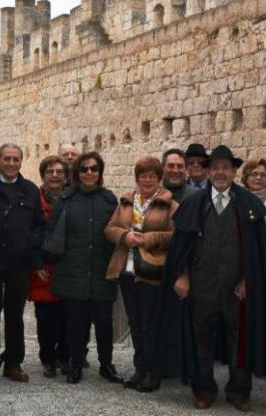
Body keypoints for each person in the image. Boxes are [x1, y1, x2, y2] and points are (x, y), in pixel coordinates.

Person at [149, 145, 266, 411]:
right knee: (200, 340)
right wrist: (182, 277)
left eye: (225, 168)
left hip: (235, 289)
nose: (220, 173)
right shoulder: (193, 204)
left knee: (238, 341)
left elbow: (257, 253)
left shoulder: (249, 205)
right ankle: (203, 390)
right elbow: (181, 247)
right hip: (200, 286)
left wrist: (247, 280)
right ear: (208, 170)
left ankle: (239, 391)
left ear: (234, 171)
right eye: (215, 167)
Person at [46, 151, 122, 385]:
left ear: (99, 173)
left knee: (104, 323)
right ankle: (76, 365)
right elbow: (51, 232)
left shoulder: (109, 200)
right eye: (84, 169)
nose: (89, 173)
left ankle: (106, 365)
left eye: (94, 169)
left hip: (101, 271)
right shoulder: (66, 200)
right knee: (75, 323)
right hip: (73, 270)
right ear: (77, 173)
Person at [104, 157, 177, 393]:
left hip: (151, 270)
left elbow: (175, 235)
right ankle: (140, 368)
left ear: (159, 179)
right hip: (127, 270)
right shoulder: (126, 202)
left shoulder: (170, 204)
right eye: (143, 176)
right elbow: (109, 228)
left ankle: (153, 371)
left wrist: (149, 238)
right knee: (135, 323)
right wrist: (125, 236)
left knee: (150, 324)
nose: (147, 180)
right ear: (137, 178)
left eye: (152, 176)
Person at [0, 143, 44, 383]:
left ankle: (13, 363)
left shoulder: (29, 190)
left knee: (15, 314)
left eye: (15, 159)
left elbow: (39, 223)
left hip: (19, 261)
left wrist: (30, 243)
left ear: (21, 162)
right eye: (6, 158)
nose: (11, 163)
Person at [28, 155, 70, 378]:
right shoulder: (35, 199)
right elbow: (30, 233)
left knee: (66, 316)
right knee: (45, 318)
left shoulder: (72, 198)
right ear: (43, 174)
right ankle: (48, 359)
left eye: (60, 171)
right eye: (50, 171)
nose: (55, 175)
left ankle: (64, 356)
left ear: (66, 175)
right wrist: (37, 264)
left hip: (66, 266)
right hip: (43, 267)